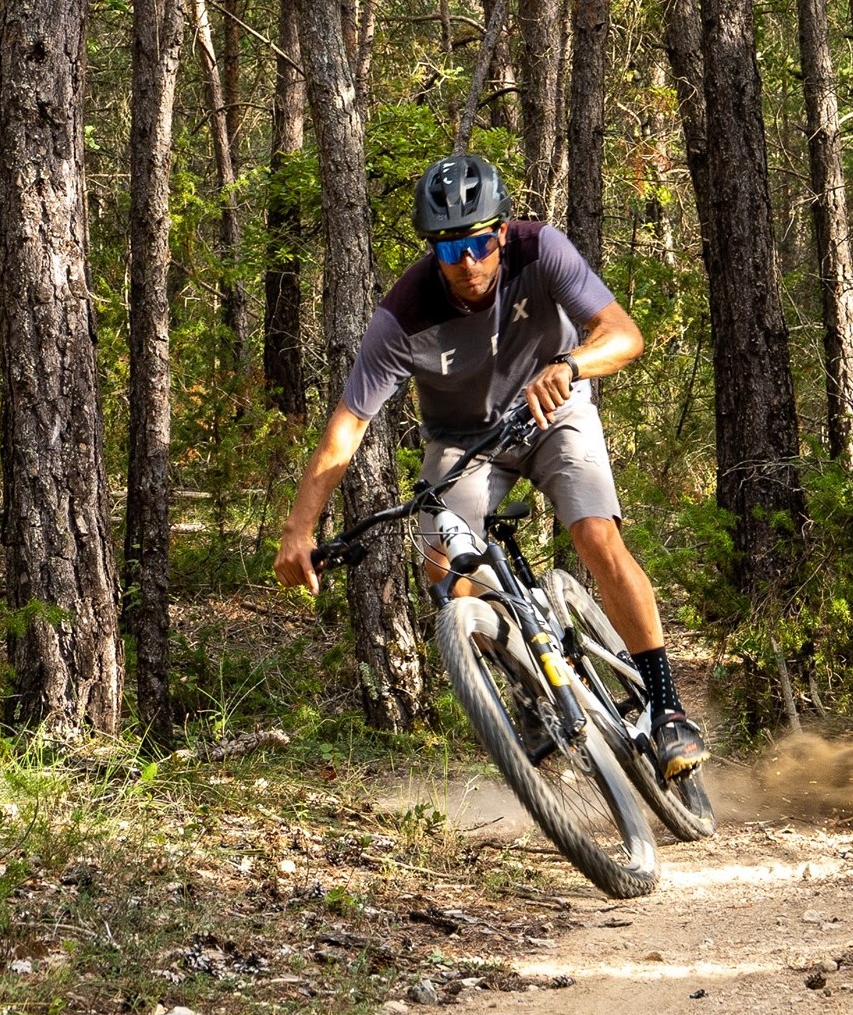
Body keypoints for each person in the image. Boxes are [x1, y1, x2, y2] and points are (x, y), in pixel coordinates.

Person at [273, 153, 709, 779]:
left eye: (479, 243)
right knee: (448, 576)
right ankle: (529, 690)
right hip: (462, 441)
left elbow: (623, 333)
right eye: (450, 252)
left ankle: (666, 709)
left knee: (594, 533)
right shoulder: (404, 314)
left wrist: (571, 365)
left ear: (501, 232)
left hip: (553, 408)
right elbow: (347, 428)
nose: (469, 264)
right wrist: (298, 529)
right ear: (432, 253)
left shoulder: (540, 250)